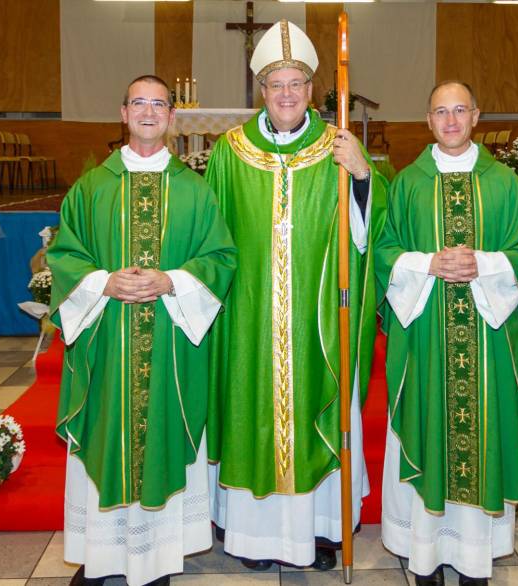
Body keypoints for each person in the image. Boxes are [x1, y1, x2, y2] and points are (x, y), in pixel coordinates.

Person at [203, 19, 388, 571]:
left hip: (318, 319)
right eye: (275, 84)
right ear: (261, 90)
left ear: (312, 91)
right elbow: (211, 235)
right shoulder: (230, 152)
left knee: (318, 407)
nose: (286, 94)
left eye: (297, 83)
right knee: (251, 410)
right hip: (250, 316)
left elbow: (375, 233)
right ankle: (254, 539)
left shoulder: (338, 147)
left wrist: (361, 179)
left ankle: (322, 529)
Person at [46, 74, 237, 586]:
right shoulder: (91, 188)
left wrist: (171, 279)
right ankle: (101, 553)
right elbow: (64, 256)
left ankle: (158, 555)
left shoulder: (196, 191)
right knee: (108, 431)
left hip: (171, 343)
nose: (149, 111)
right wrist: (102, 282)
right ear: (123, 113)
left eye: (159, 104)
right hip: (107, 341)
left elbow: (220, 258)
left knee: (163, 434)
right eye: (139, 103)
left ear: (172, 118)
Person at [375, 81, 518, 586]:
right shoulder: (408, 183)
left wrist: (483, 263)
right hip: (426, 335)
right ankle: (421, 554)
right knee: (427, 421)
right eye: (439, 113)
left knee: (483, 427)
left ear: (476, 116)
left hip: (485, 339)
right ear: (428, 121)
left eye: (459, 111)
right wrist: (428, 262)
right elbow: (383, 252)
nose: (450, 121)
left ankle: (474, 557)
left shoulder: (504, 183)